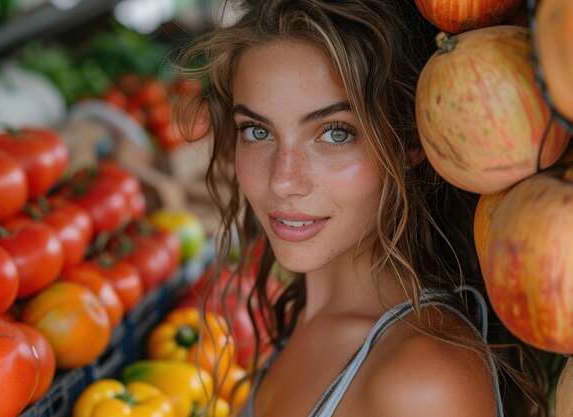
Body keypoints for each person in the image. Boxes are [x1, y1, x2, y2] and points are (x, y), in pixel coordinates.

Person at [177, 1, 548, 416]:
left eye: (336, 134)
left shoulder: (424, 381)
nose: (283, 180)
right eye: (257, 131)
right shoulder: (306, 308)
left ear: (408, 139)